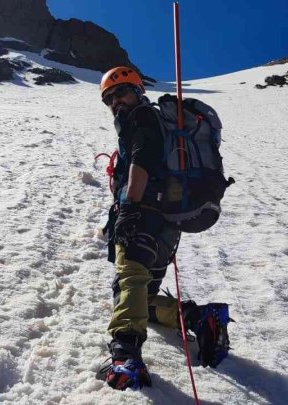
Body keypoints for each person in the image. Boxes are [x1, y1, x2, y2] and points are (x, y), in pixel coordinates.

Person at [97, 67, 231, 391]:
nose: (116, 102)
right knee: (145, 293)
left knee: (128, 279)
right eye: (109, 99)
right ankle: (197, 318)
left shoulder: (141, 118)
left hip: (142, 212)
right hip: (165, 223)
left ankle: (126, 354)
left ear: (138, 91)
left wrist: (128, 207)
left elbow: (141, 162)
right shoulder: (150, 119)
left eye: (121, 93)